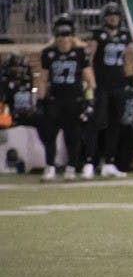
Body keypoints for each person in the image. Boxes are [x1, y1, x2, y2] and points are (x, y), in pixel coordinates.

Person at [36, 16, 94, 181]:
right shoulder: (48, 53)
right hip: (54, 100)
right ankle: (50, 167)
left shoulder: (79, 53)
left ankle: (71, 167)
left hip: (74, 100)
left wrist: (89, 101)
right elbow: (43, 79)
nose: (63, 38)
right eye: (60, 34)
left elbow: (90, 80)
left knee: (73, 136)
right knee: (50, 135)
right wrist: (40, 100)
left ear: (72, 35)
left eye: (66, 34)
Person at [87, 2, 133, 178]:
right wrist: (89, 83)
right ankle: (90, 162)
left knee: (115, 124)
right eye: (110, 15)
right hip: (101, 85)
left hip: (118, 85)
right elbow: (89, 60)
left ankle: (109, 161)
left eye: (115, 15)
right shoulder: (97, 35)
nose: (113, 17)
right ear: (104, 18)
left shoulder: (125, 36)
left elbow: (128, 61)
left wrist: (131, 82)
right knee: (97, 123)